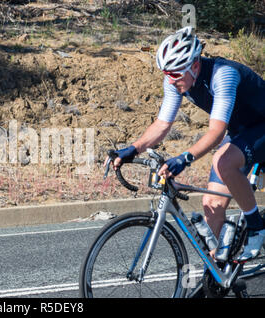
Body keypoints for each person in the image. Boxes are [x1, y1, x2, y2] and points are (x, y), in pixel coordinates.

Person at [106, 26, 265, 261]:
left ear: (195, 65)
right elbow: (162, 125)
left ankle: (256, 227)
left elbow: (216, 132)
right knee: (211, 203)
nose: (170, 79)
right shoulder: (176, 81)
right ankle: (222, 272)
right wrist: (132, 149)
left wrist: (185, 158)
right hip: (243, 132)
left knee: (224, 160)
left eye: (175, 73)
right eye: (166, 73)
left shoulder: (224, 75)